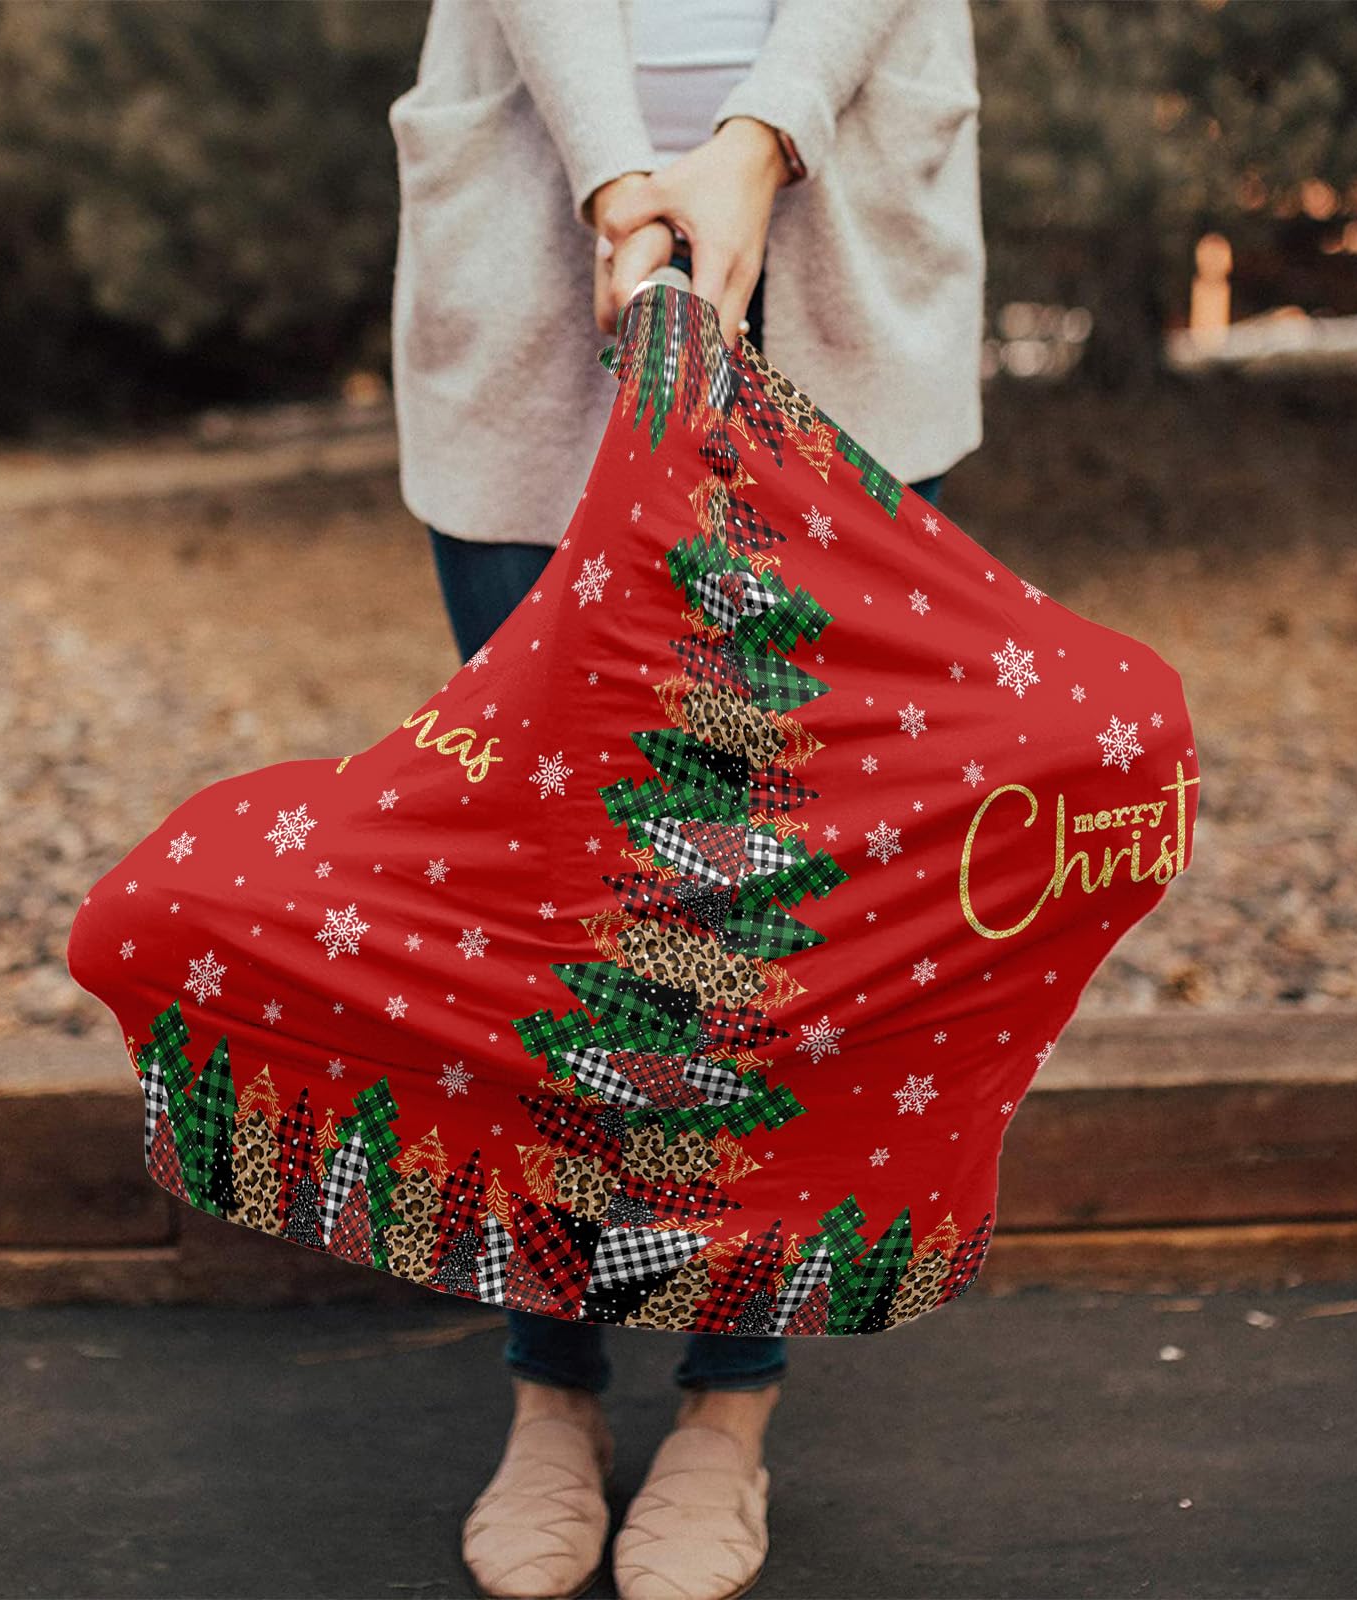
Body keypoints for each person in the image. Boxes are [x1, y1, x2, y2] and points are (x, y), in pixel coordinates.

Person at [386, 3, 984, 1595]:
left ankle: (730, 1404)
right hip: (538, 225)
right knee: (553, 881)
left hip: (839, 235)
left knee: (776, 880)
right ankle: (552, 1386)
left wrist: (760, 141)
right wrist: (616, 179)